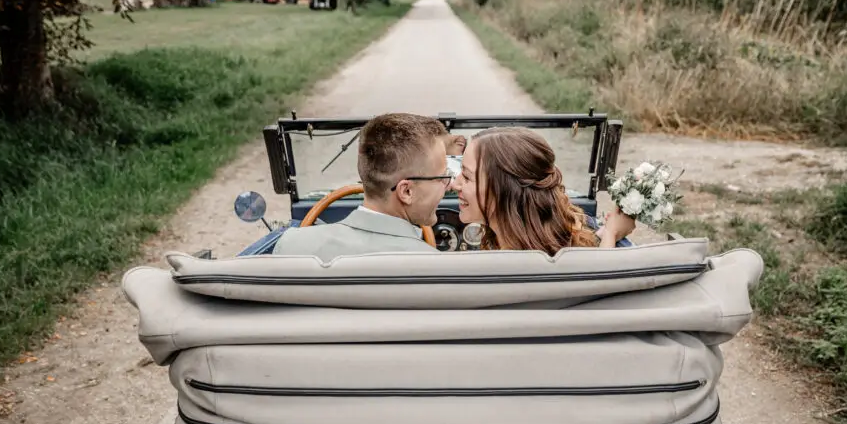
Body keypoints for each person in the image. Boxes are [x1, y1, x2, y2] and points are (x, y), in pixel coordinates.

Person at [272, 113, 455, 262]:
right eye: (443, 177)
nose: (449, 186)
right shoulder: (436, 267)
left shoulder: (291, 247)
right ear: (406, 191)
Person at [451, 126, 636, 256]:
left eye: (466, 177)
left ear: (504, 190)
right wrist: (608, 236)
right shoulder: (560, 251)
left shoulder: (504, 261)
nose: (454, 184)